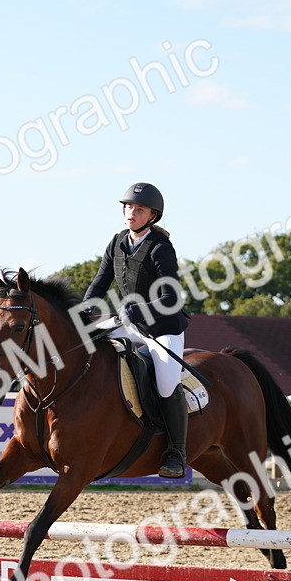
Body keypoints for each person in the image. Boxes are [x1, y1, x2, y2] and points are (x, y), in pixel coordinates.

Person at [83, 182, 190, 478]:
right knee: (85, 344)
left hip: (162, 328)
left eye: (138, 209)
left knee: (168, 382)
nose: (131, 212)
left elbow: (171, 297)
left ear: (152, 215)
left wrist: (138, 310)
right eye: (128, 207)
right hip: (129, 325)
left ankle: (176, 452)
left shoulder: (160, 248)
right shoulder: (117, 242)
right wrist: (82, 310)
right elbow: (100, 283)